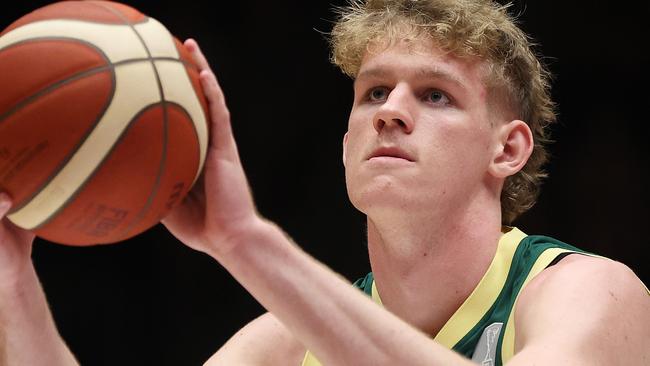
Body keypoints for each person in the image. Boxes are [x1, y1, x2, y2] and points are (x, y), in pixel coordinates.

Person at [1, 0, 649, 365]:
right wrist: (10, 278)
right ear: (346, 143)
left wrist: (244, 241)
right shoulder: (285, 345)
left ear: (506, 148)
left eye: (435, 95)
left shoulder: (589, 293)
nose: (390, 111)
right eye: (372, 93)